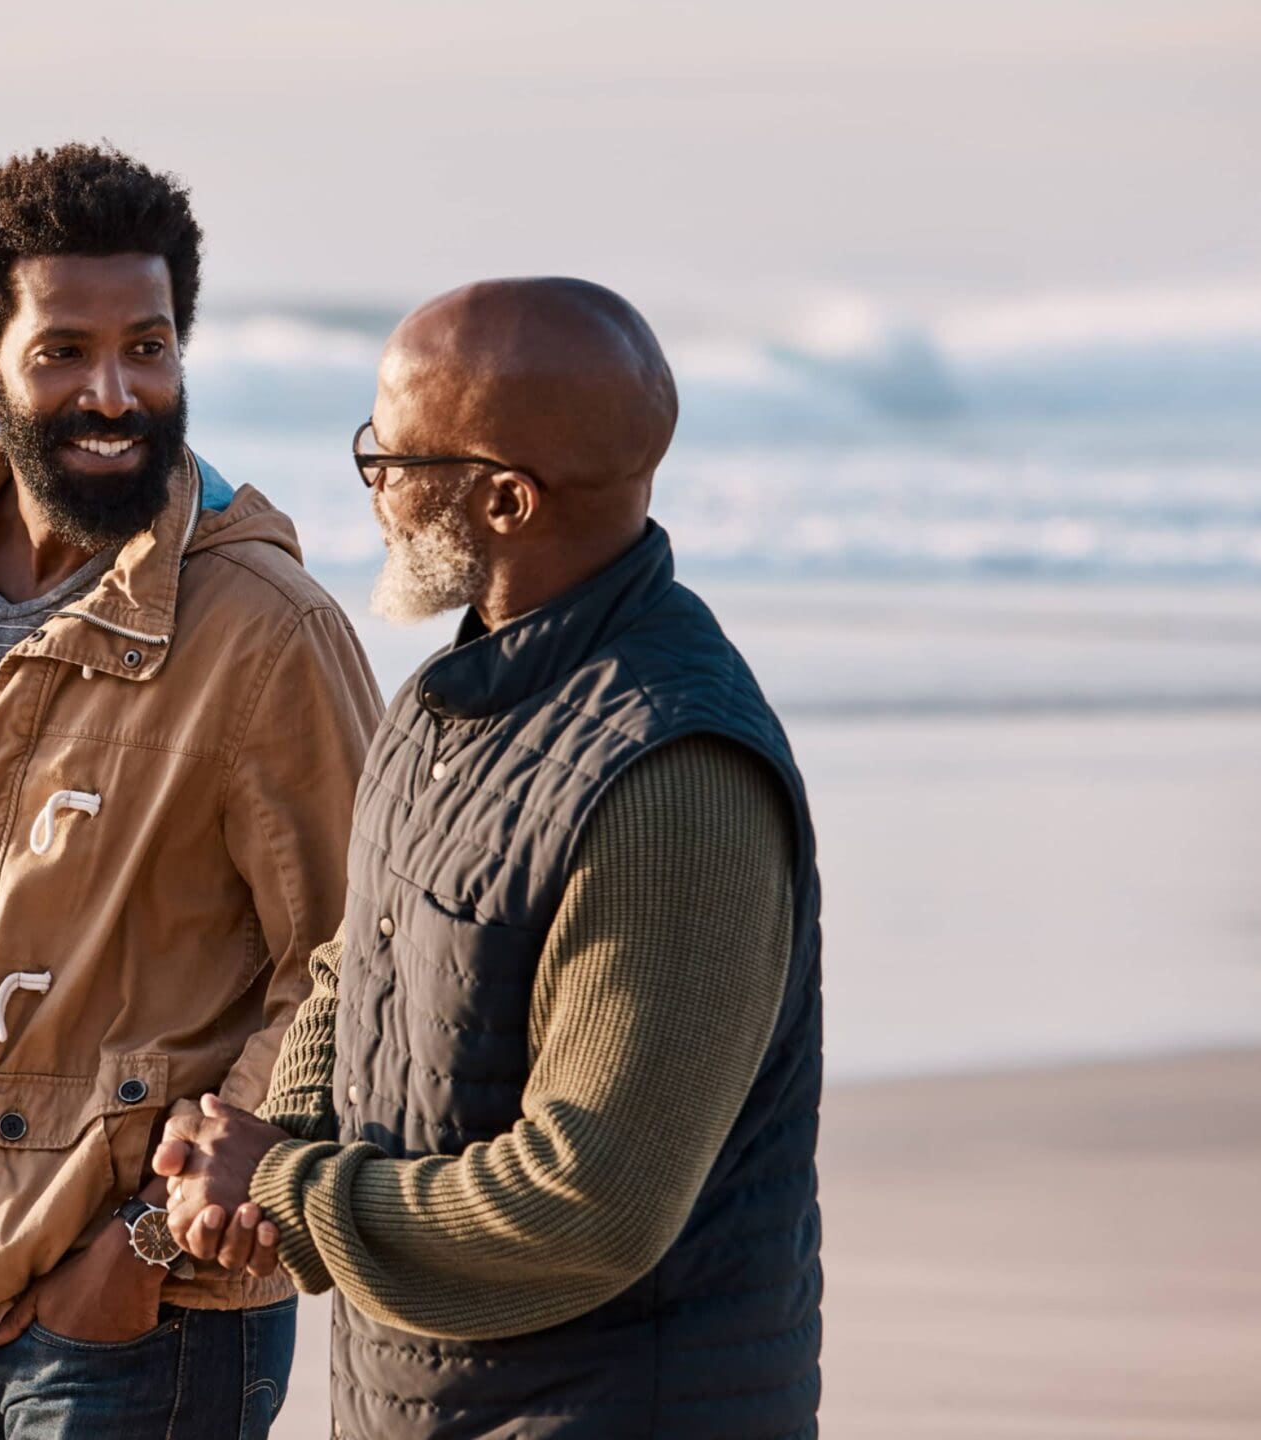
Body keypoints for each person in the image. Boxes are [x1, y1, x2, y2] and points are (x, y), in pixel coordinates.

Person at [154, 278, 826, 1438]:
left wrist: (280, 1187)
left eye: (394, 460)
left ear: (505, 499)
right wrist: (276, 1132)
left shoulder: (672, 778)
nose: (372, 491)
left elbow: (588, 1205)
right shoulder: (443, 703)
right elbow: (358, 966)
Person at [0, 143, 381, 1438]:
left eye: (151, 346)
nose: (115, 392)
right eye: (63, 351)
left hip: (137, 1323)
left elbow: (363, 966)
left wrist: (137, 1252)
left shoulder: (264, 629)